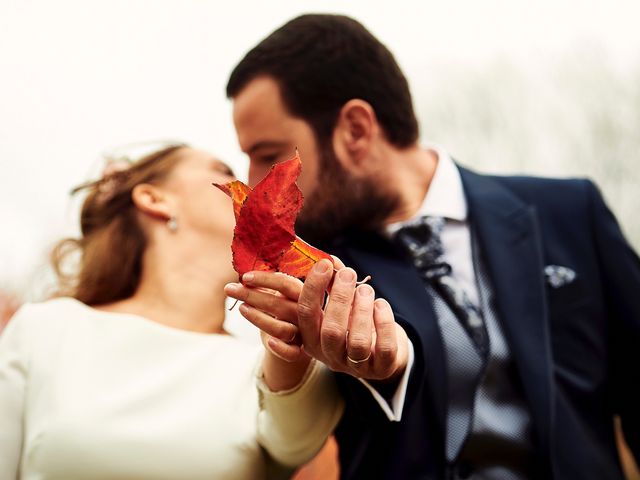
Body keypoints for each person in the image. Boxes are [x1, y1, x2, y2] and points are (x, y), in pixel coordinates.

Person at [223, 14, 640, 479]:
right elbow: (288, 435)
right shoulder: (313, 266)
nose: (255, 180)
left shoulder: (568, 211)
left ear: (356, 129)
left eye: (267, 152)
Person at [0, 143, 343, 479]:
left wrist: (287, 349)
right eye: (224, 171)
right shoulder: (46, 329)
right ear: (154, 199)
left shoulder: (266, 363)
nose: (253, 191)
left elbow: (295, 444)